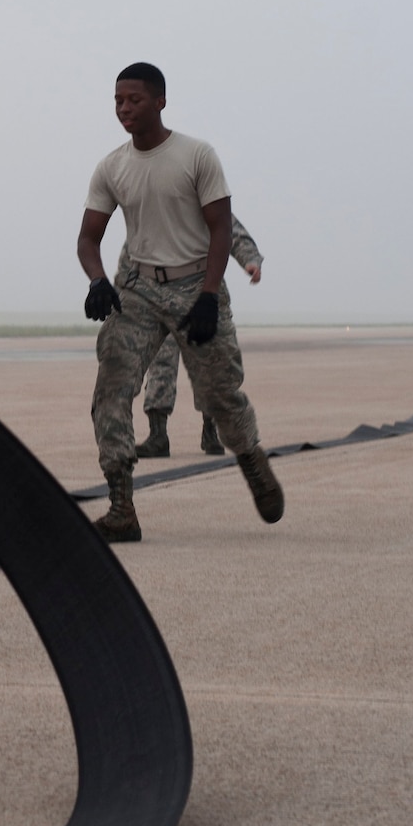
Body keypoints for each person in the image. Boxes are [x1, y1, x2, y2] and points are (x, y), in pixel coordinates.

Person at [76, 62, 283, 543]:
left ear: (160, 101)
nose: (124, 109)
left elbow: (220, 227)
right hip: (138, 290)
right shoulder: (112, 167)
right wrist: (97, 281)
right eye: (118, 100)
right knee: (111, 391)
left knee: (220, 396)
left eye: (134, 100)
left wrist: (210, 295)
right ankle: (121, 508)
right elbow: (88, 238)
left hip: (195, 286)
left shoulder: (196, 156)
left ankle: (252, 459)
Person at [133, 214, 264, 458]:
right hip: (163, 295)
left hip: (201, 292)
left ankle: (210, 431)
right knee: (161, 363)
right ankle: (158, 434)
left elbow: (231, 230)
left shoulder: (204, 198)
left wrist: (250, 261)